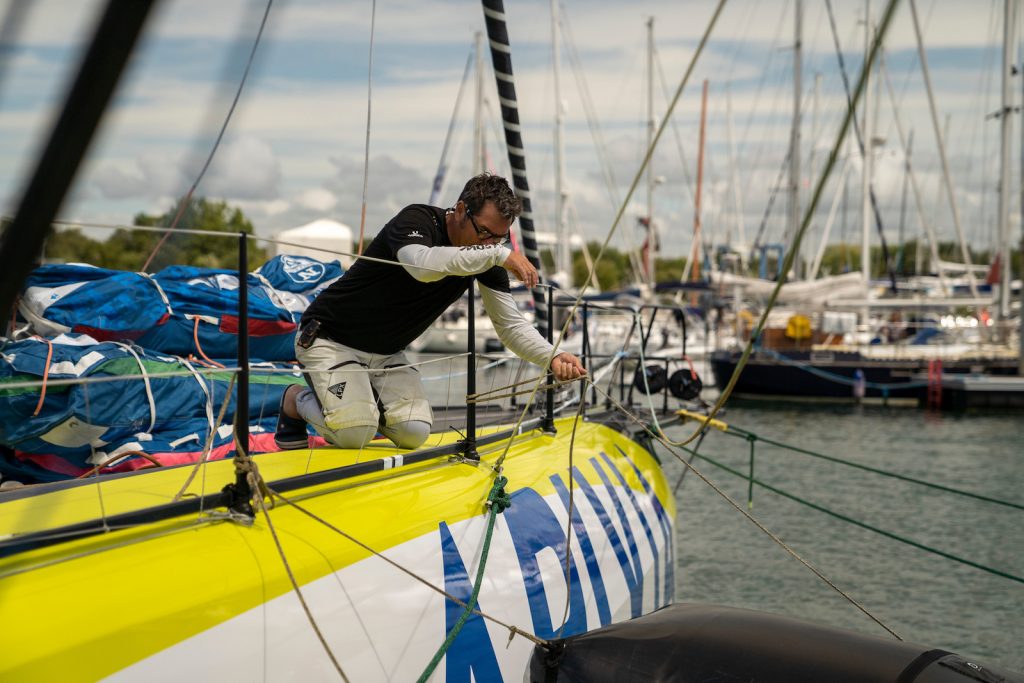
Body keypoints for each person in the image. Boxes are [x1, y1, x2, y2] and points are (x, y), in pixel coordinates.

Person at [275, 173, 586, 451]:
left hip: (385, 354)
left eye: (500, 238)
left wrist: (553, 356)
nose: (490, 243)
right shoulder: (416, 221)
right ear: (461, 210)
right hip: (329, 337)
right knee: (355, 434)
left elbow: (510, 327)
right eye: (485, 233)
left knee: (413, 433)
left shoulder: (487, 256)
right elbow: (421, 266)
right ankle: (294, 401)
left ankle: (359, 404)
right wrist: (497, 253)